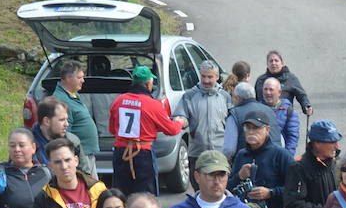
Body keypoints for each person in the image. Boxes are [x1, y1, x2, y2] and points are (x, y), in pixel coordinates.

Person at [108, 65, 187, 196]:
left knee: (120, 193)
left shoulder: (119, 101)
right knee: (146, 193)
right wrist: (180, 122)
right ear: (148, 84)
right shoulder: (152, 104)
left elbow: (112, 129)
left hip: (120, 152)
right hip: (143, 154)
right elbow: (171, 130)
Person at [173, 60, 229, 188]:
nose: (206, 80)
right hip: (197, 153)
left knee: (219, 190)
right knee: (199, 189)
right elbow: (180, 116)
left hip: (220, 153)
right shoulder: (189, 96)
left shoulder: (225, 97)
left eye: (210, 77)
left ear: (217, 77)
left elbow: (232, 123)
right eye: (203, 76)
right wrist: (181, 120)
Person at [53, 59, 100, 176]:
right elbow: (64, 133)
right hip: (79, 156)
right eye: (79, 78)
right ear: (69, 78)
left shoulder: (73, 95)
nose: (83, 81)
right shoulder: (62, 100)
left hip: (86, 153)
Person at [222, 83, 274, 161]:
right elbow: (280, 140)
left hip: (246, 162)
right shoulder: (270, 111)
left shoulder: (235, 114)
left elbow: (229, 149)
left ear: (237, 98)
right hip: (273, 161)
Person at [252, 50, 312, 116]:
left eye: (276, 60)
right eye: (271, 61)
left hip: (284, 116)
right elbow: (255, 99)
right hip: (264, 116)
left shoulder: (290, 78)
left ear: (282, 63)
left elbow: (301, 95)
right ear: (267, 64)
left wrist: (306, 106)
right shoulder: (260, 80)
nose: (273, 63)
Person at [31, 97, 81, 168]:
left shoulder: (73, 142)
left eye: (66, 119)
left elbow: (86, 174)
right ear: (46, 121)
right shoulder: (26, 145)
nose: (66, 124)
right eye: (61, 120)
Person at [258, 76, 302, 153]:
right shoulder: (257, 109)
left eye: (271, 90)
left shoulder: (289, 111)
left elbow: (292, 138)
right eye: (265, 89)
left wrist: (287, 158)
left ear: (279, 92)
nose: (268, 92)